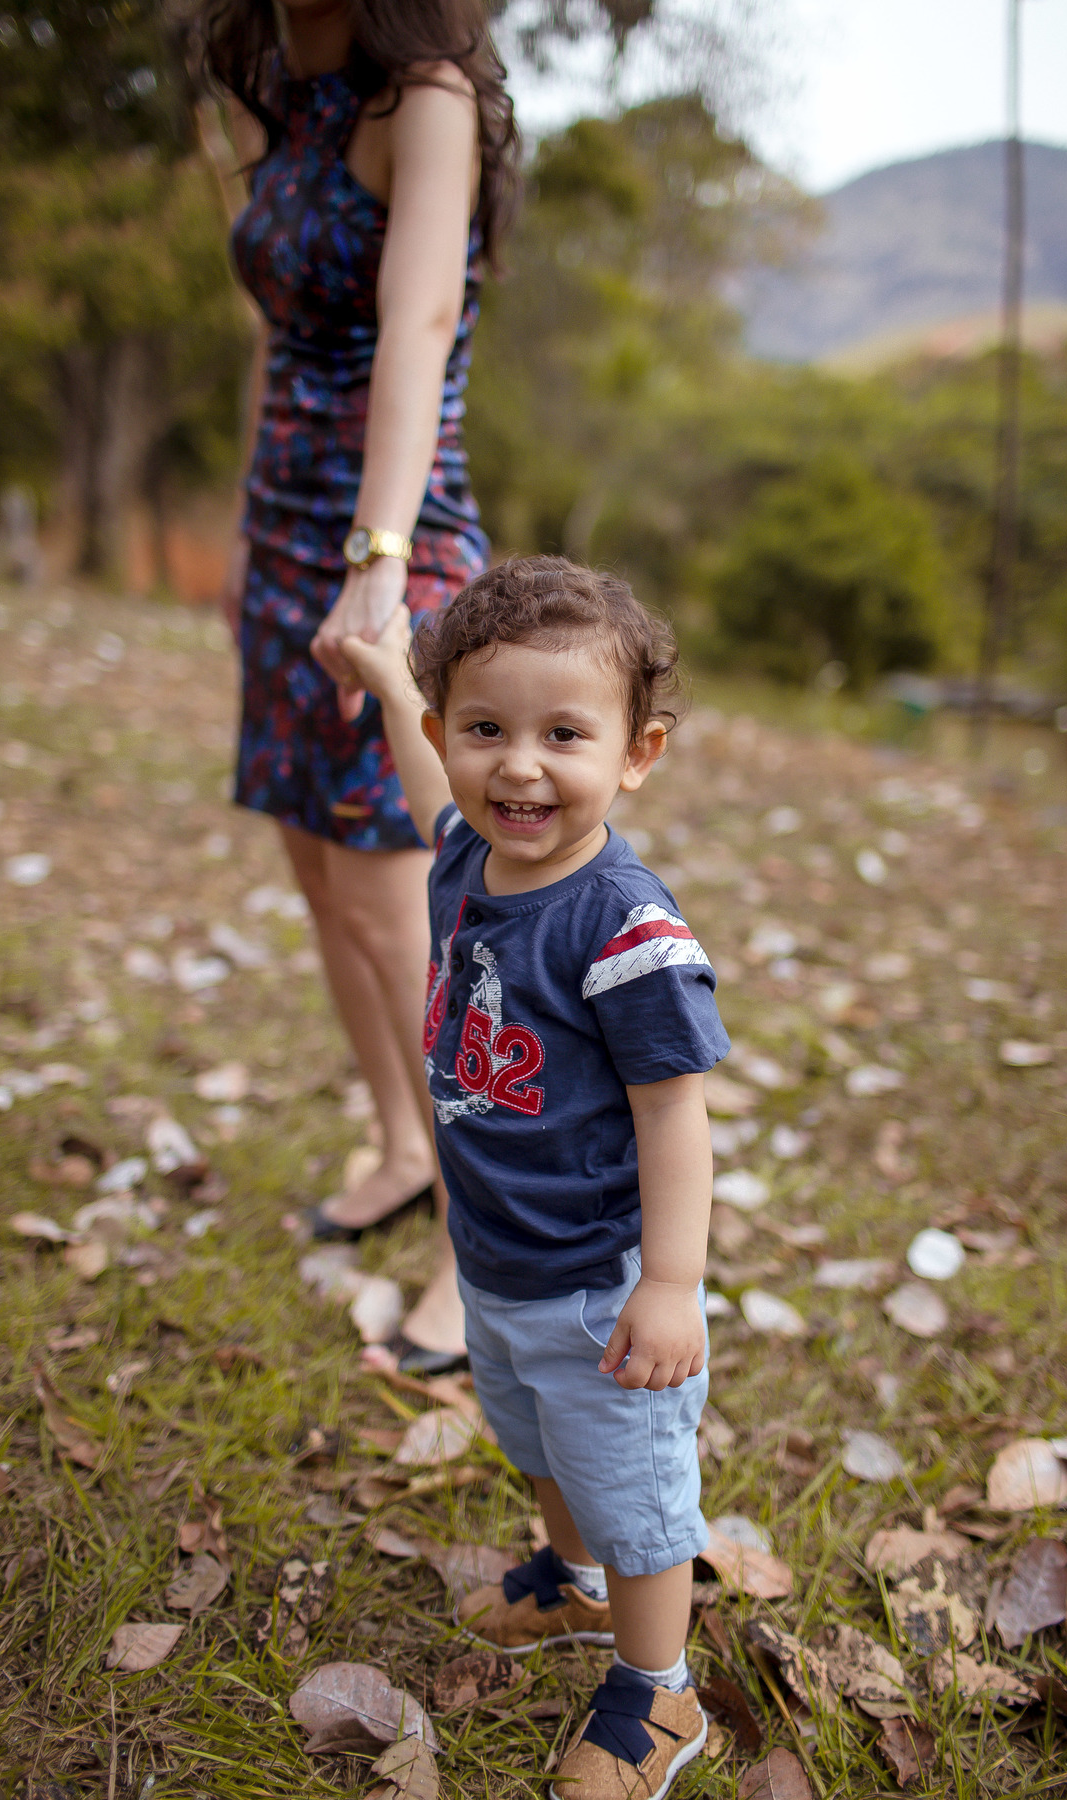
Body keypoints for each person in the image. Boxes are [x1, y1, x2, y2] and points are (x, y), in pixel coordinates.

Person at [342, 555, 729, 1800]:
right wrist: (384, 679)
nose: (519, 765)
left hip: (600, 1284)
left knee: (635, 1490)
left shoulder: (624, 927)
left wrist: (669, 1284)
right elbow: (420, 779)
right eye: (485, 728)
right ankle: (568, 1586)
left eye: (564, 734)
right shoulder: (466, 852)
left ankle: (658, 1694)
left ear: (637, 752)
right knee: (542, 1448)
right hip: (498, 1264)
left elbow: (675, 1113)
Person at [193, 0, 518, 1372]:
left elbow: (421, 319)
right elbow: (278, 327)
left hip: (389, 542)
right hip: (283, 534)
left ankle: (478, 1242)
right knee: (320, 881)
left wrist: (377, 564)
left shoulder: (424, 92)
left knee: (408, 915)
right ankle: (398, 1144)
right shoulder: (281, 72)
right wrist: (243, 538)